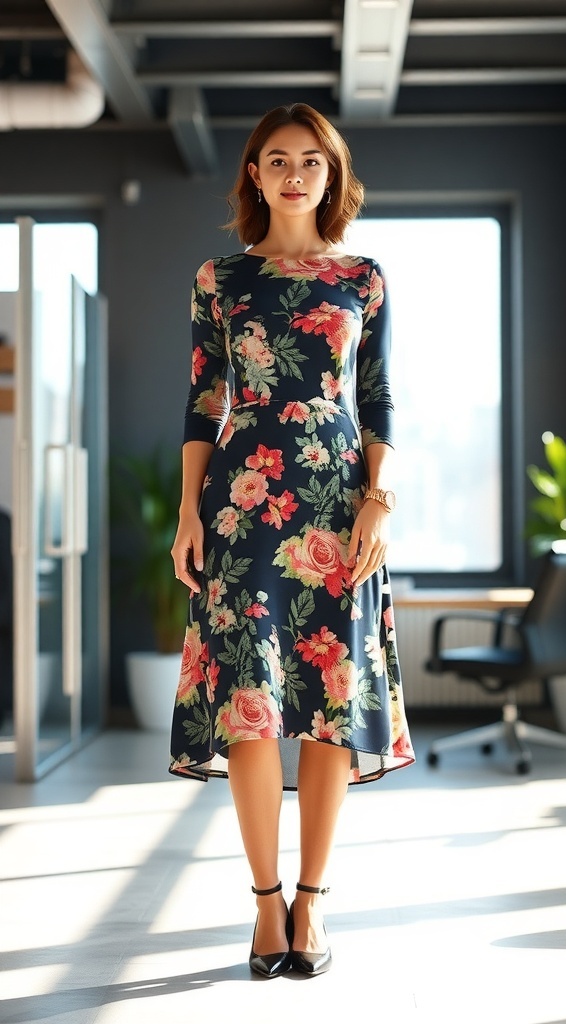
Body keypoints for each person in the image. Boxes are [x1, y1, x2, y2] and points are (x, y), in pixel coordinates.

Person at [170, 102, 415, 979]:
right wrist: (190, 512)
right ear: (256, 175)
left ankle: (312, 903)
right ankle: (266, 907)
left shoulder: (364, 278)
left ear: (331, 172)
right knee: (251, 704)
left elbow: (378, 398)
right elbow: (205, 403)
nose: (295, 172)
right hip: (243, 503)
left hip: (337, 500)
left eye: (311, 159)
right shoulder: (219, 280)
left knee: (328, 703)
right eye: (277, 159)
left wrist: (378, 498)